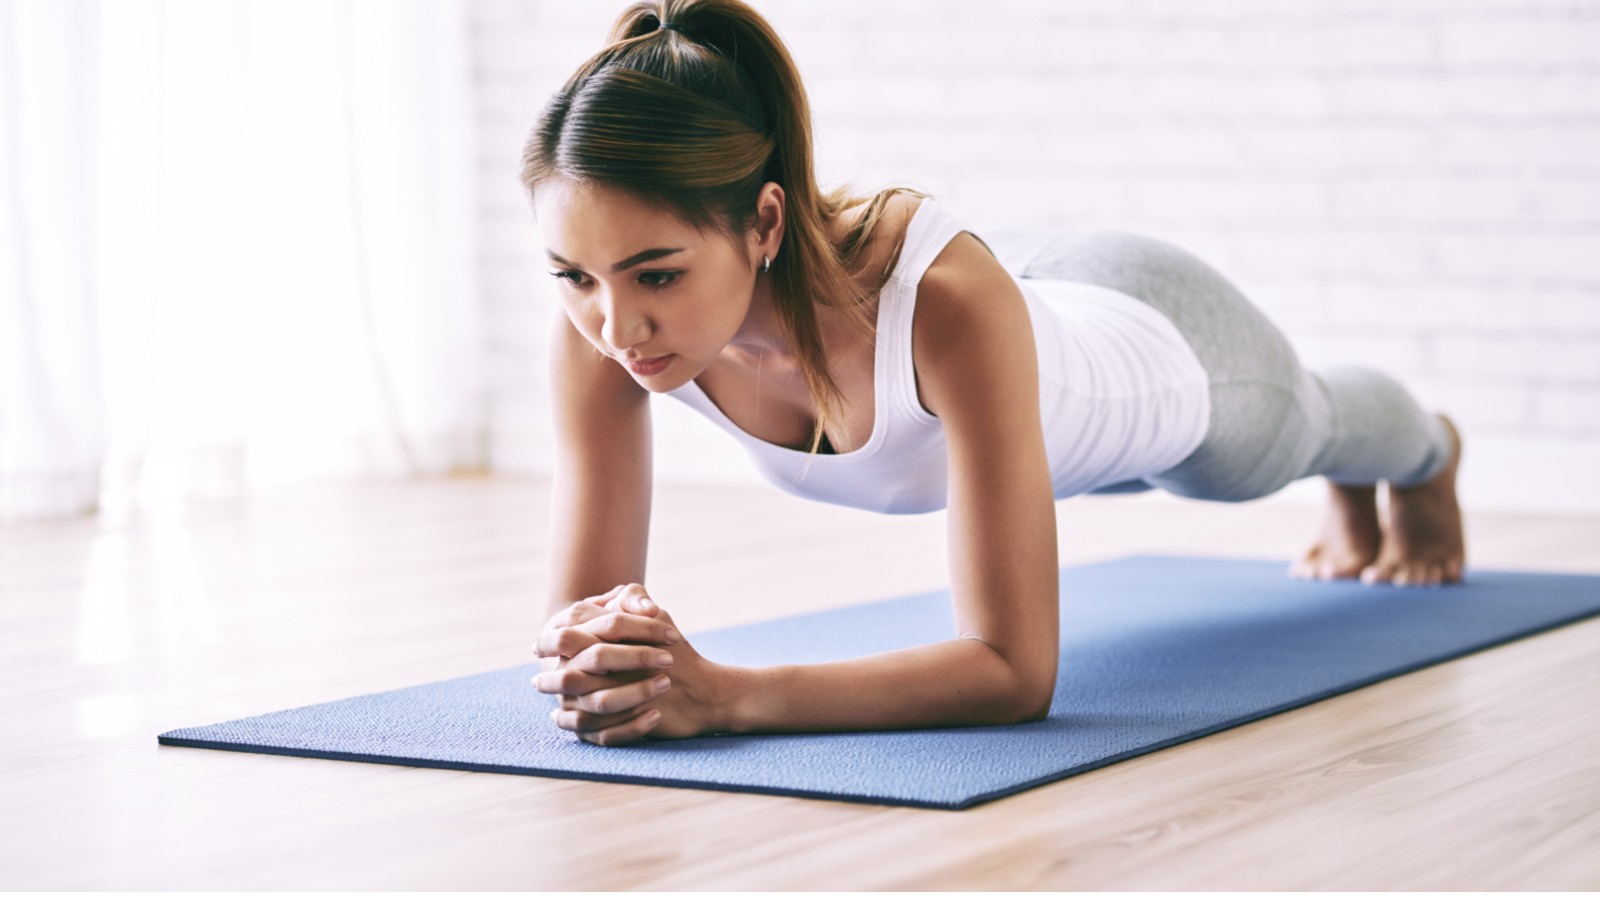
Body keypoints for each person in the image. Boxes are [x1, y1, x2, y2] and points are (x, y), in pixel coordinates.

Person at [522, 0, 1467, 746]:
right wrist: (609, 666)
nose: (615, 323)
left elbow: (1013, 673)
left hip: (1161, 349)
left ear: (764, 223)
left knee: (1301, 431)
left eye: (658, 274)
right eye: (573, 277)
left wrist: (727, 697)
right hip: (1027, 302)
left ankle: (1426, 457)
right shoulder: (606, 327)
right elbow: (584, 626)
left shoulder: (944, 302)